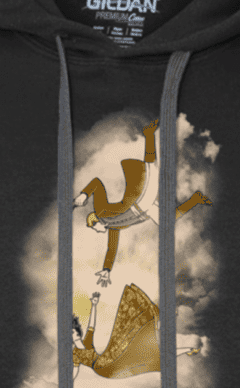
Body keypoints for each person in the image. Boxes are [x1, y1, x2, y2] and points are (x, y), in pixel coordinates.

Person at [74, 119, 212, 286]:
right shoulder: (113, 227)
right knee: (169, 218)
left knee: (151, 170)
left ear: (94, 220)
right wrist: (106, 270)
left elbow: (97, 183)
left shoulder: (101, 211)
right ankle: (195, 199)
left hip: (137, 201)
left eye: (93, 227)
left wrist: (84, 195)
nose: (96, 231)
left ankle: (148, 135)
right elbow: (111, 250)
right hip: (145, 211)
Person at [73, 287, 200, 379]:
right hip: (103, 367)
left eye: (74, 330)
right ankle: (157, 323)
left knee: (144, 349)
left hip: (110, 357)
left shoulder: (87, 340)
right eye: (71, 333)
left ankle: (187, 349)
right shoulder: (75, 354)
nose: (74, 334)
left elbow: (91, 324)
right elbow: (74, 370)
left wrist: (94, 305)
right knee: (133, 338)